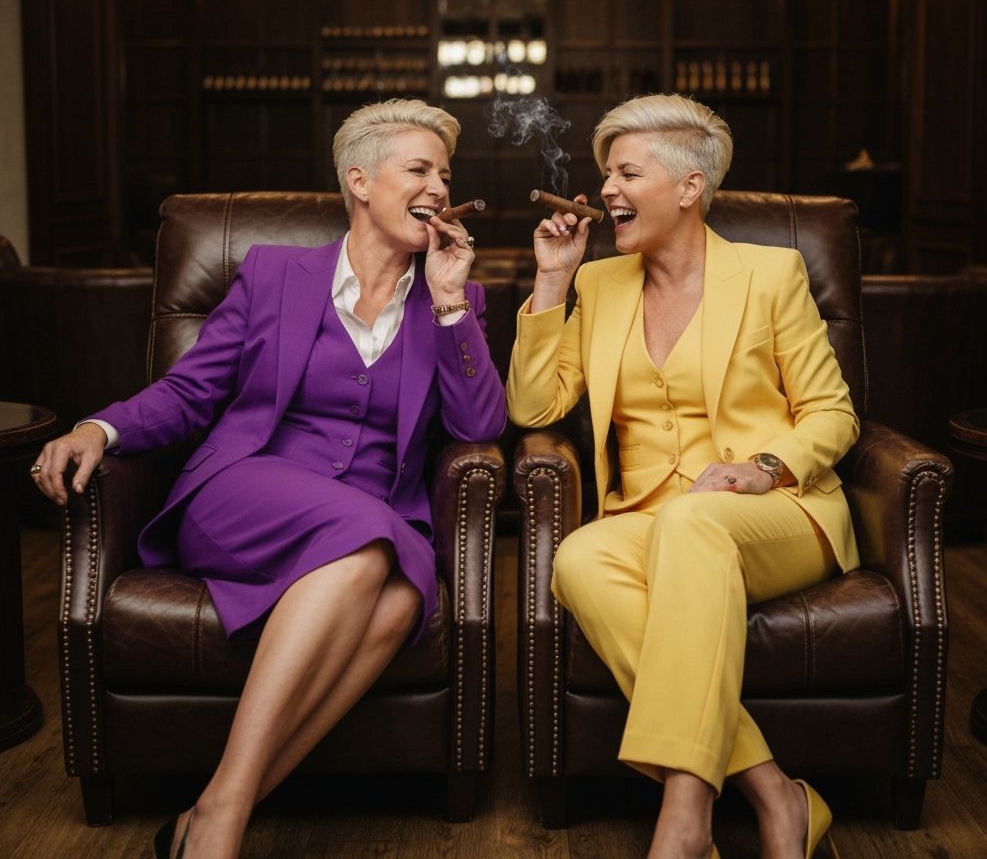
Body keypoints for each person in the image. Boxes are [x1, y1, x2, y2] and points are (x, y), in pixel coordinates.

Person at [30, 99, 507, 859]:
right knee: (374, 547)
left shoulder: (455, 300)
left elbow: (481, 428)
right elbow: (192, 391)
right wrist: (102, 425)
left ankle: (214, 813)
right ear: (360, 180)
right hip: (246, 490)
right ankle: (219, 824)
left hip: (373, 521)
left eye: (446, 176)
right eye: (419, 170)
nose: (440, 189)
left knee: (388, 597)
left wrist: (450, 303)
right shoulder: (273, 275)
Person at [506, 93, 855, 859]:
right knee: (578, 558)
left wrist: (765, 469)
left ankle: (684, 817)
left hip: (778, 514)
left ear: (691, 186)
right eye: (604, 175)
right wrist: (552, 284)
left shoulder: (771, 274)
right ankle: (777, 795)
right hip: (650, 519)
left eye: (627, 173)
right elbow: (535, 404)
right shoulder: (597, 287)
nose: (605, 192)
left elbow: (833, 415)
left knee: (693, 524)